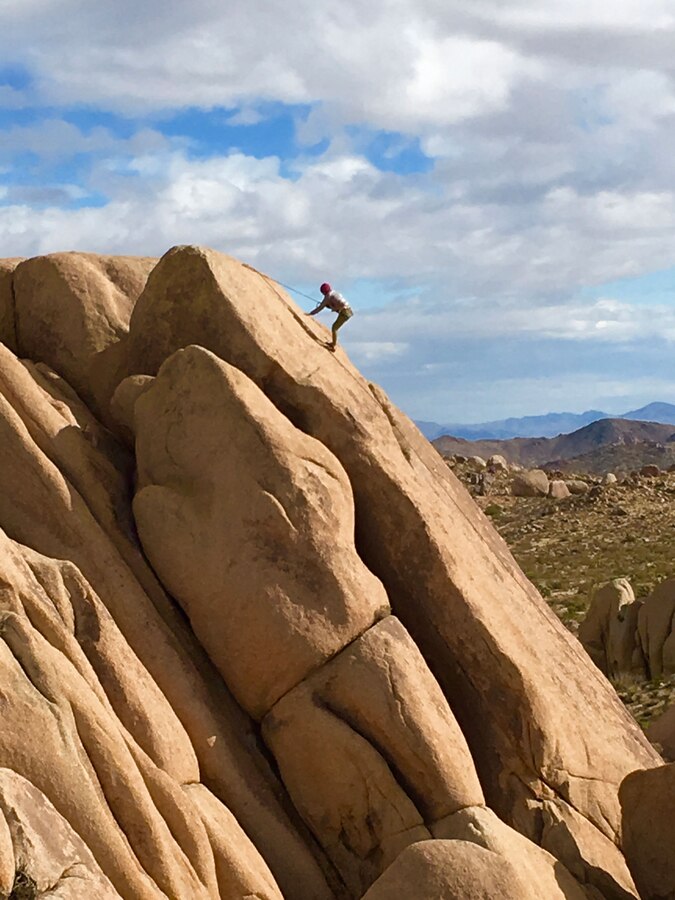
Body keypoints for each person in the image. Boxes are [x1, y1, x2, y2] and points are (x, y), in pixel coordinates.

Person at [306, 282, 353, 350]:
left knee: (334, 328)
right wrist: (330, 306)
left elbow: (320, 307)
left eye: (322, 292)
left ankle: (333, 345)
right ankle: (333, 344)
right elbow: (338, 303)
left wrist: (311, 313)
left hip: (345, 312)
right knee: (335, 327)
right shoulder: (333, 292)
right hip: (348, 310)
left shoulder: (328, 296)